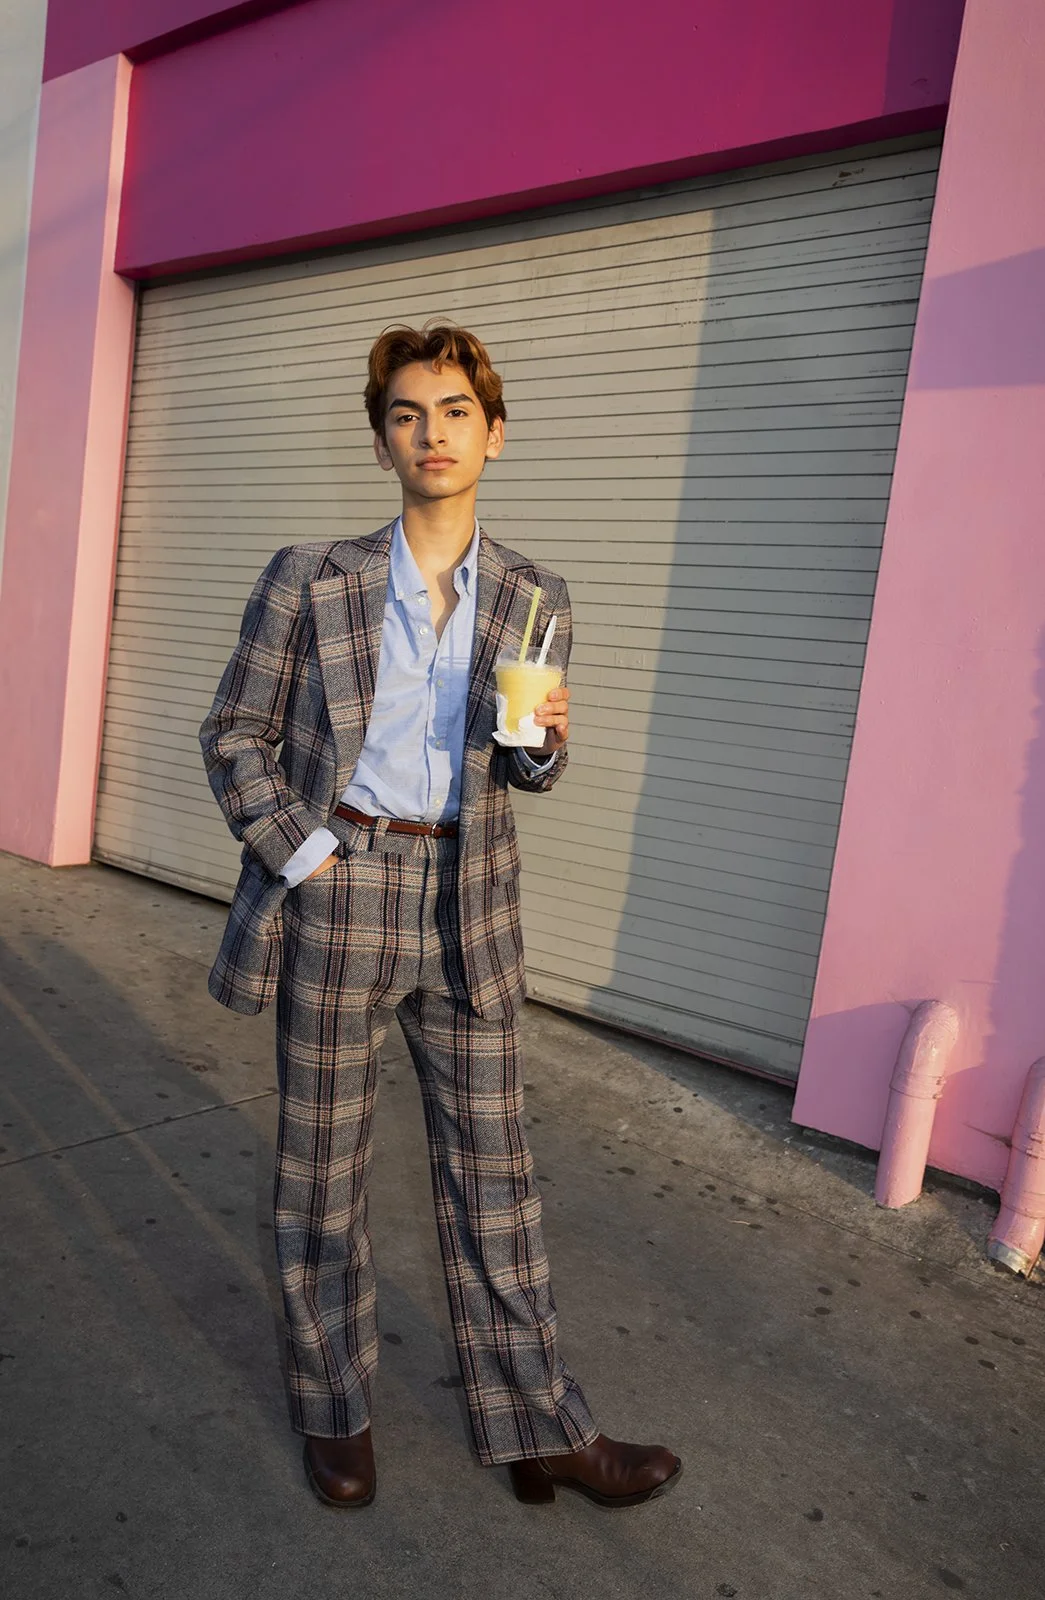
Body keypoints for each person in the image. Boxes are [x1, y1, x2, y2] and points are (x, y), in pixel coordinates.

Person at [199, 323, 681, 1510]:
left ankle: (539, 1428)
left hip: (469, 900)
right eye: (408, 414)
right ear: (381, 443)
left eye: (455, 411)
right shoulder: (310, 576)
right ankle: (336, 1411)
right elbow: (234, 734)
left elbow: (523, 769)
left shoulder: (534, 595)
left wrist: (546, 745)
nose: (432, 433)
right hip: (342, 885)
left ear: (493, 434)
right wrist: (308, 854)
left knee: (495, 1175)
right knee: (322, 1171)